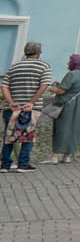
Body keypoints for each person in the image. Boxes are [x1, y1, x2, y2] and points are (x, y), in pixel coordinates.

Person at [1, 40, 52, 172]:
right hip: (31, 108)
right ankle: (23, 164)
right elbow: (44, 85)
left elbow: (4, 85)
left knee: (9, 135)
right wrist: (32, 102)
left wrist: (11, 101)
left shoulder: (14, 66)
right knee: (28, 135)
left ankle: (5, 164)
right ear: (38, 53)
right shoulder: (43, 66)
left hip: (12, 107)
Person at [48, 53, 80, 163]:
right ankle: (67, 156)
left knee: (62, 128)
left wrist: (52, 88)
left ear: (75, 63)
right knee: (74, 129)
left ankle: (55, 156)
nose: (68, 63)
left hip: (67, 105)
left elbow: (62, 90)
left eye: (70, 61)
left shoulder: (72, 74)